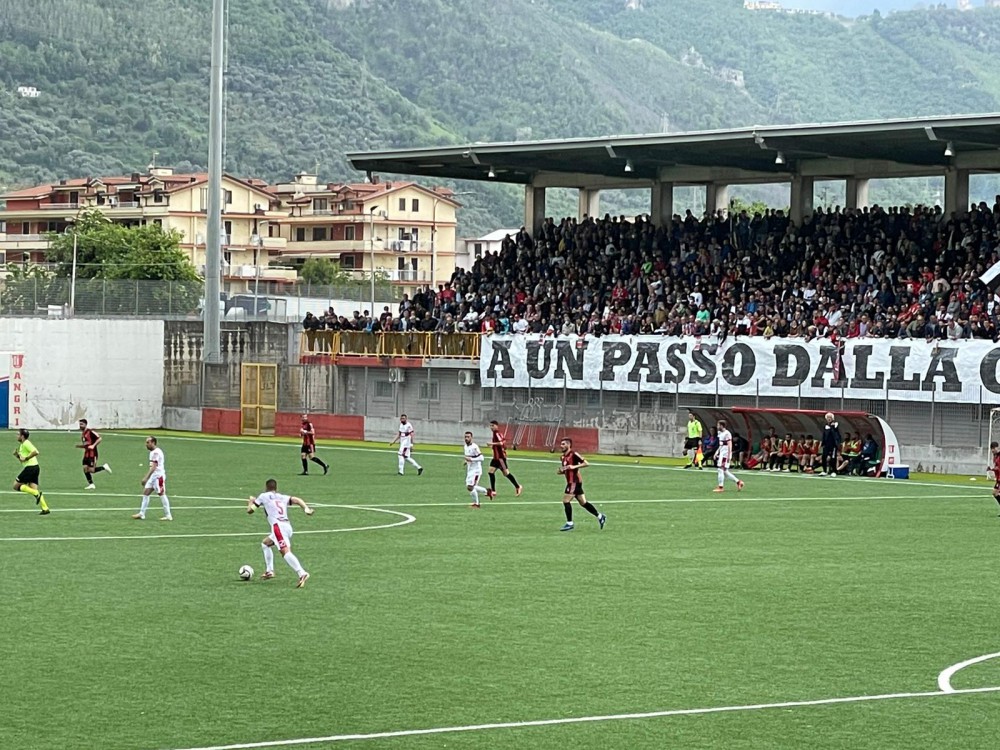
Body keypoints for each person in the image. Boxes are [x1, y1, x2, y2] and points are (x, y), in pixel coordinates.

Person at [247, 478, 312, 587]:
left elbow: (250, 511)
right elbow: (296, 499)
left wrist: (250, 502)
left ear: (266, 487)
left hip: (278, 528)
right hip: (287, 526)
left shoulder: (263, 496)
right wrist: (306, 509)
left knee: (285, 552)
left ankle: (302, 573)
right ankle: (270, 571)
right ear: (276, 488)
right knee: (265, 543)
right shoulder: (282, 497)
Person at [557, 437, 607, 532]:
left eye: (563, 444)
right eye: (561, 444)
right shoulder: (562, 457)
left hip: (574, 482)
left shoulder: (574, 454)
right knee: (583, 503)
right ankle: (600, 516)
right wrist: (561, 471)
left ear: (569, 445)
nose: (561, 446)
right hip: (572, 482)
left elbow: (586, 463)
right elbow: (567, 469)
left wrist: (574, 466)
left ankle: (570, 523)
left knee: (566, 501)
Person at [132, 436, 172, 521]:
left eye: (148, 442)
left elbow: (154, 467)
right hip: (154, 476)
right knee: (146, 492)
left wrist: (146, 478)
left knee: (161, 494)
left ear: (153, 443)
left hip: (158, 476)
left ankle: (168, 515)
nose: (146, 444)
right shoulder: (153, 452)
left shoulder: (156, 453)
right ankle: (142, 514)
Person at [13, 429, 49, 514]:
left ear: (22, 436)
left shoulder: (26, 443)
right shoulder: (22, 445)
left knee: (15, 486)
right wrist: (18, 456)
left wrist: (27, 458)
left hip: (30, 468)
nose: (16, 436)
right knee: (33, 489)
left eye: (18, 434)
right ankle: (45, 508)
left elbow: (36, 452)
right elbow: (23, 461)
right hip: (35, 468)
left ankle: (37, 494)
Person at [486, 419, 522, 497]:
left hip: (500, 458)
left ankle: (518, 486)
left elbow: (501, 443)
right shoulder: (496, 433)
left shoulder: (497, 433)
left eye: (493, 426)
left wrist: (491, 444)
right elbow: (504, 443)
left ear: (496, 426)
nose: (491, 427)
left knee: (506, 474)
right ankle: (493, 491)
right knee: (490, 472)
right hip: (496, 458)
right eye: (490, 426)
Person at [78, 418, 111, 490]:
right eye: (80, 424)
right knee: (85, 469)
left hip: (92, 454)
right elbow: (87, 444)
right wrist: (80, 446)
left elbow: (99, 438)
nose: (80, 426)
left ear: (85, 424)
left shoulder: (90, 432)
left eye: (82, 424)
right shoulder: (83, 434)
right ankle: (91, 484)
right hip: (86, 454)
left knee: (91, 470)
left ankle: (104, 467)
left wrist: (93, 445)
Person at [714, 420, 745, 493]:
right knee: (725, 471)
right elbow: (721, 444)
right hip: (722, 453)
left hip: (725, 454)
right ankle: (739, 482)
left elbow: (729, 445)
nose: (717, 427)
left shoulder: (727, 433)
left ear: (722, 426)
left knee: (720, 469)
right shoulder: (719, 433)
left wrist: (728, 455)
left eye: (718, 425)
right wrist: (717, 452)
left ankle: (720, 487)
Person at [463, 432, 488, 508]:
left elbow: (481, 458)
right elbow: (468, 457)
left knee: (470, 487)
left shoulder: (475, 447)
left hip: (476, 470)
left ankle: (477, 504)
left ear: (471, 438)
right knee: (469, 486)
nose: (466, 438)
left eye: (468, 437)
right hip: (470, 470)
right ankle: (487, 491)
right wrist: (466, 461)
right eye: (465, 437)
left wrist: (471, 459)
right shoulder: (465, 447)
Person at [818, 412, 842, 476]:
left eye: (830, 417)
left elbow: (835, 433)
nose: (829, 419)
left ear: (832, 418)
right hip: (826, 444)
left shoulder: (835, 424)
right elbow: (824, 435)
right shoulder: (825, 426)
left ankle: (834, 471)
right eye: (828, 417)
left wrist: (832, 427)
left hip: (833, 444)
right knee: (824, 457)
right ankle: (824, 471)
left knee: (833, 458)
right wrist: (822, 443)